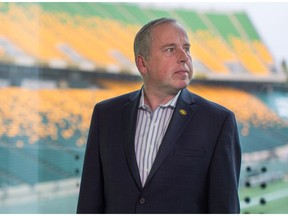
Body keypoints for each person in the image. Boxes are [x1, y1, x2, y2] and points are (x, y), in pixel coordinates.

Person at [77, 17, 241, 213]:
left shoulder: (218, 122)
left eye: (186, 48)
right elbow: (89, 202)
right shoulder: (106, 115)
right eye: (170, 50)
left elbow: (224, 208)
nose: (184, 57)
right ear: (142, 64)